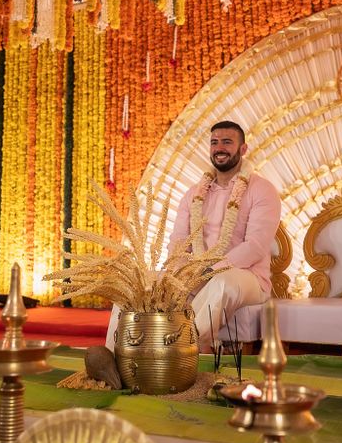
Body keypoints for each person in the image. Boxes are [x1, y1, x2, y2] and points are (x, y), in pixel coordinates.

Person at [104, 120, 281, 352]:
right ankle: (112, 355)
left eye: (227, 142)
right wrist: (179, 272)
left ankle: (177, 352)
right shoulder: (193, 194)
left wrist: (210, 271)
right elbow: (178, 241)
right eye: (214, 143)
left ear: (243, 149)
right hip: (195, 275)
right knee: (139, 282)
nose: (219, 148)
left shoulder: (261, 189)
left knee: (222, 283)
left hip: (247, 279)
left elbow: (256, 245)